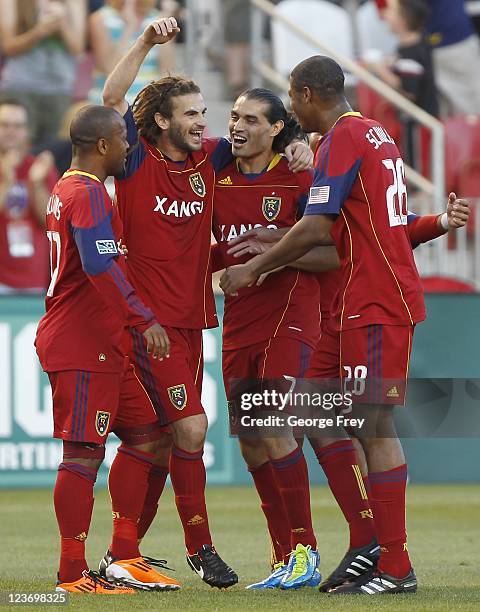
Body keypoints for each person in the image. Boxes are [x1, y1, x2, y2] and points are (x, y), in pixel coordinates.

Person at [101, 16, 311, 588]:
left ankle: (125, 555)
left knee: (167, 441)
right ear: (163, 121)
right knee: (191, 429)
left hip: (194, 322)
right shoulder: (136, 160)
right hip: (148, 324)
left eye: (204, 113)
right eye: (192, 113)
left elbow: (262, 137)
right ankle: (202, 549)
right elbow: (113, 95)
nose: (206, 122)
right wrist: (146, 41)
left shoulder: (209, 161)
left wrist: (296, 140)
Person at [220, 54, 436, 595]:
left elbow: (318, 224)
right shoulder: (375, 134)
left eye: (292, 99)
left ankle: (395, 565)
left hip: (375, 300)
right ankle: (367, 541)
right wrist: (277, 241)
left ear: (308, 92)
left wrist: (254, 265)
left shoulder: (343, 137)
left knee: (373, 428)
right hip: (348, 307)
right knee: (308, 410)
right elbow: (355, 222)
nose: (292, 110)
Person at [35, 104, 179, 594]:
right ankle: (71, 574)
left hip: (104, 344)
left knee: (149, 436)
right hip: (81, 342)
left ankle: (123, 554)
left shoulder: (72, 187)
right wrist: (145, 318)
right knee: (83, 454)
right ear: (102, 146)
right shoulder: (87, 193)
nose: (129, 146)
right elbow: (99, 266)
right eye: (123, 138)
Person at [211, 88, 340, 589]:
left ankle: (306, 550)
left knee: (276, 425)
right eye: (234, 116)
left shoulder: (299, 177)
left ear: (276, 129)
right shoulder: (215, 172)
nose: (237, 126)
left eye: (250, 119)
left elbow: (331, 254)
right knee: (250, 444)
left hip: (290, 314)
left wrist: (273, 259)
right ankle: (284, 555)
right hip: (238, 318)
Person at [0, 0, 87, 146]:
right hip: (20, 85)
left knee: (52, 149)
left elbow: (78, 49)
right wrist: (40, 30)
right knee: (15, 147)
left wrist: (62, 22)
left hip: (58, 89)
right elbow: (8, 47)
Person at [0, 98, 57, 294]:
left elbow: (50, 223)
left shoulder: (39, 167)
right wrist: (7, 180)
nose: (11, 131)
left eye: (18, 126)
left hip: (32, 276)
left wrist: (37, 183)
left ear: (26, 131)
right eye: (5, 125)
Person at [88, 0, 176, 105]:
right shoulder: (100, 19)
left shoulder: (157, 18)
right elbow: (108, 67)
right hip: (112, 104)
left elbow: (166, 70)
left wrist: (166, 22)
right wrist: (130, 26)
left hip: (147, 104)